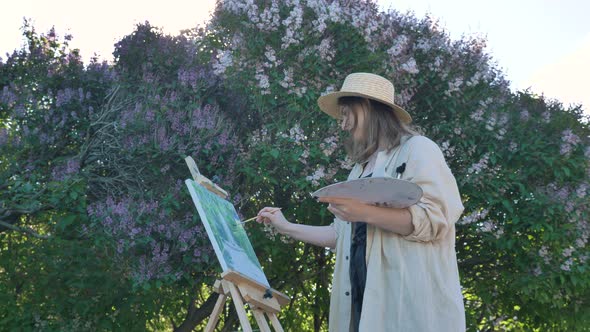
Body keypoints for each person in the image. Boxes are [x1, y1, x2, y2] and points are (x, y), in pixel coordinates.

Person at [257, 72, 465, 332]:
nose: (343, 125)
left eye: (346, 114)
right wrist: (285, 226)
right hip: (360, 301)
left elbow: (435, 221)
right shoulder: (359, 169)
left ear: (366, 107)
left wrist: (363, 212)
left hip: (406, 303)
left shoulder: (419, 149)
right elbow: (340, 234)